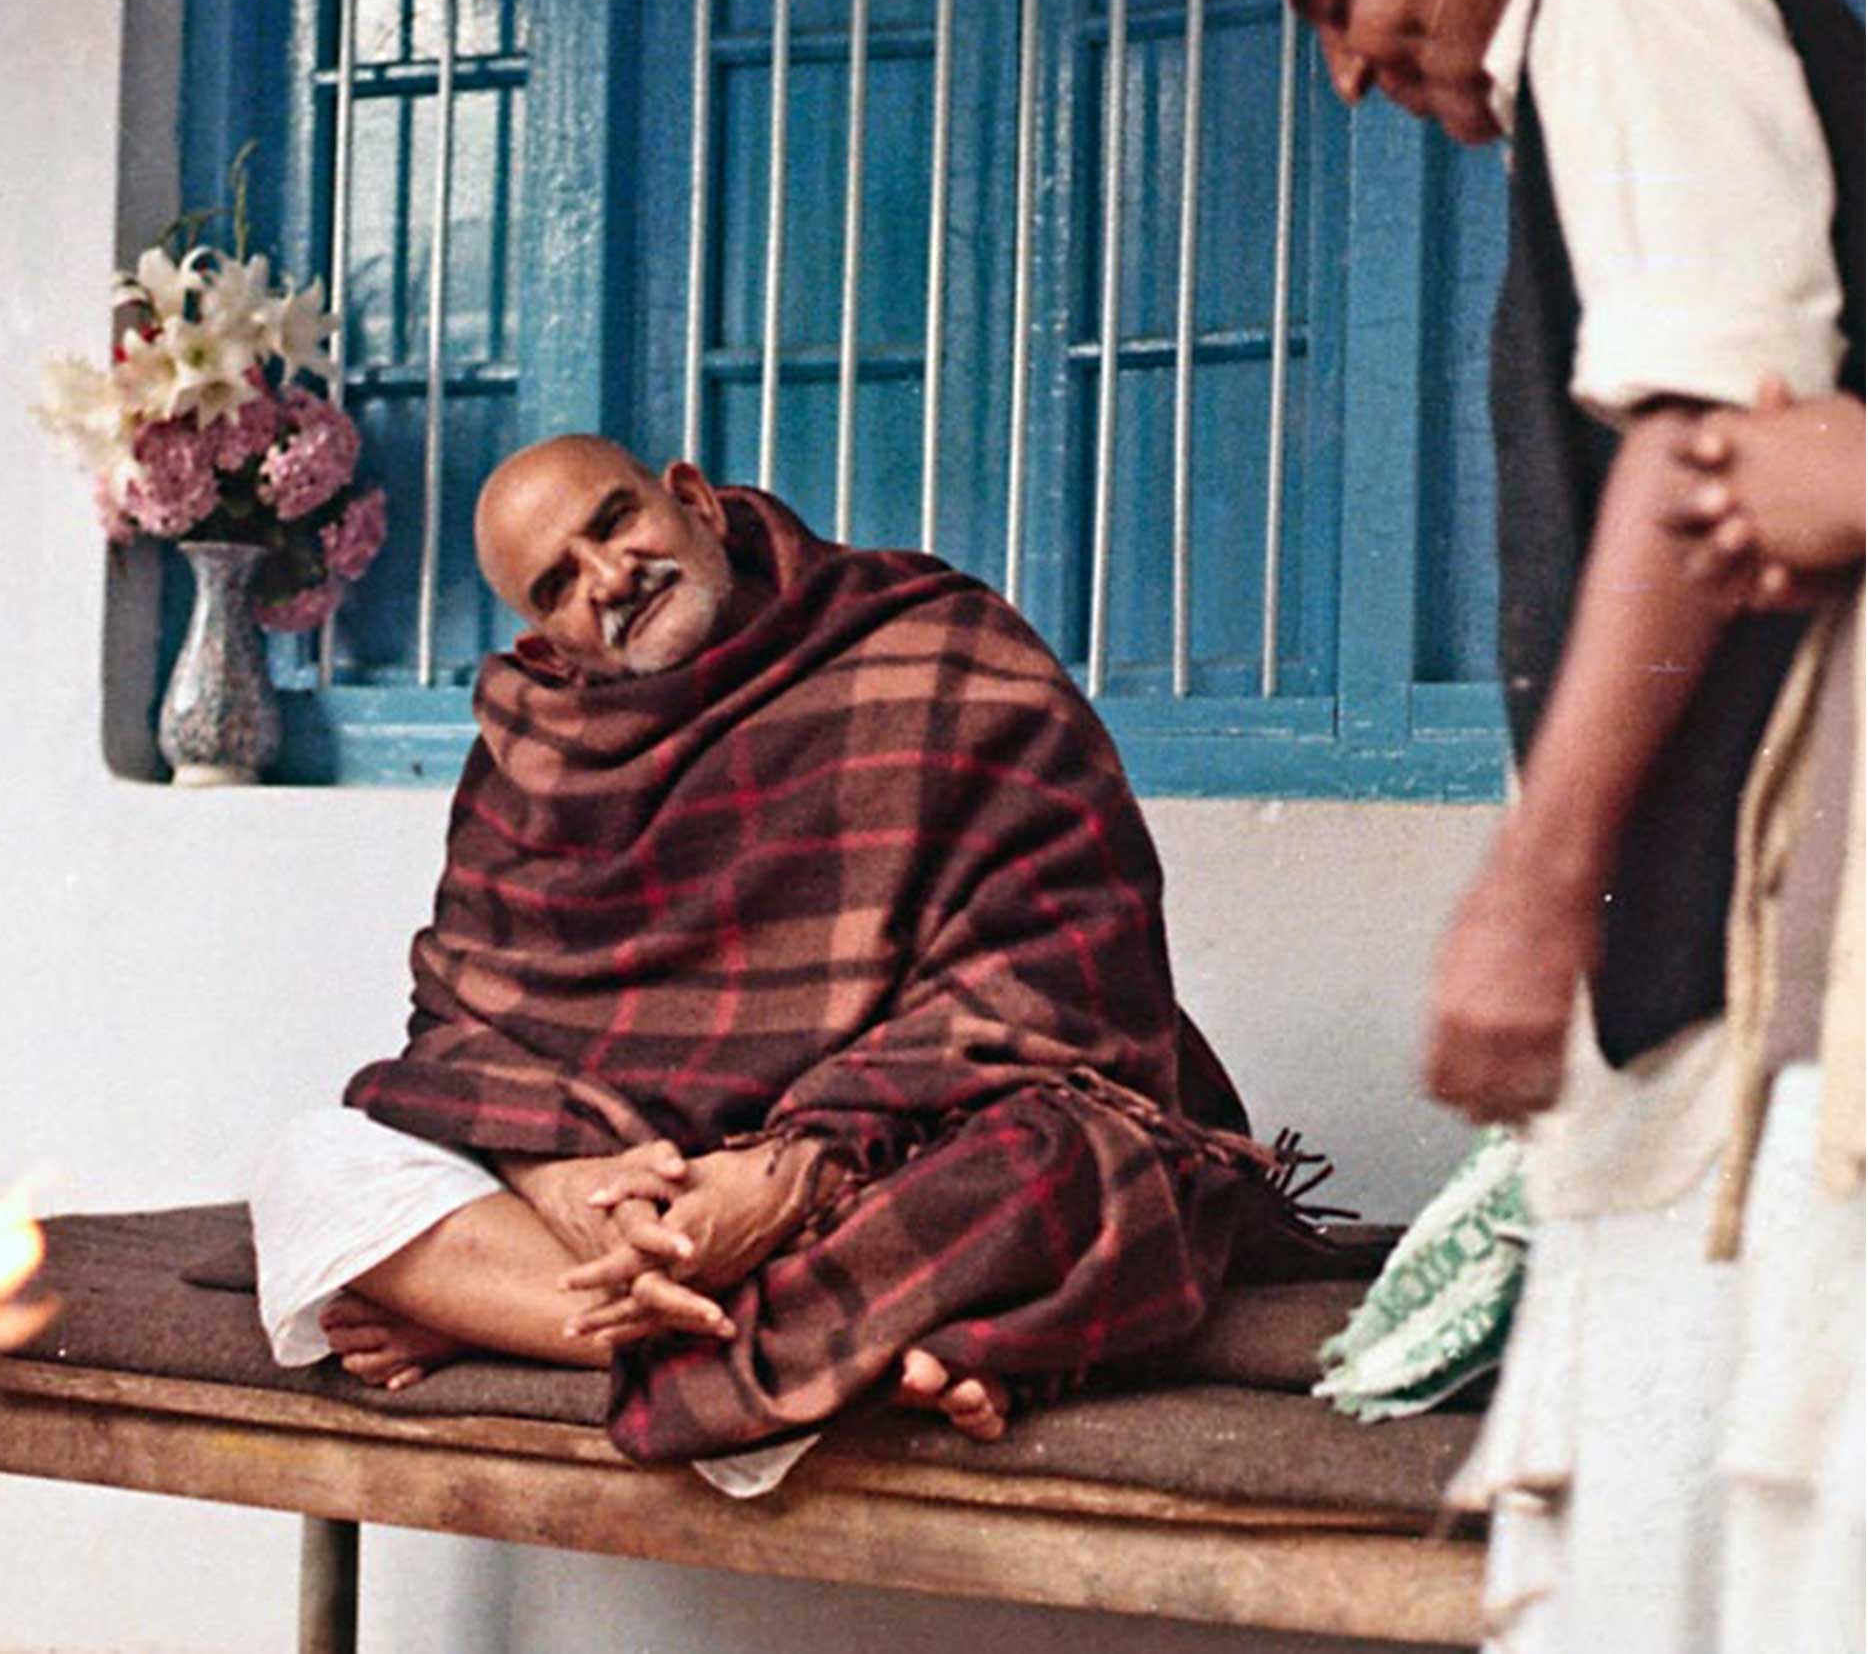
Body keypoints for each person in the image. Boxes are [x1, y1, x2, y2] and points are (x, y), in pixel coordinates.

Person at [253, 434, 1290, 1483]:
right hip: (638, 1178)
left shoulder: (932, 644)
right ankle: (816, 1343)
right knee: (318, 1162)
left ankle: (535, 1323)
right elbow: (464, 1035)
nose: (610, 578)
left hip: (873, 1151)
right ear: (548, 635)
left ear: (692, 498)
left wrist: (790, 1172)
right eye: (558, 584)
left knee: (1068, 1168)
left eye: (614, 522)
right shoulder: (539, 745)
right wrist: (556, 1172)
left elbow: (1050, 976)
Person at [1279, 0, 1861, 1647]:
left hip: (1775, 980)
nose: (1344, 67)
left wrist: (1536, 889)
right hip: (1742, 984)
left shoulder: (1621, 1)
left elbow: (1704, 443)